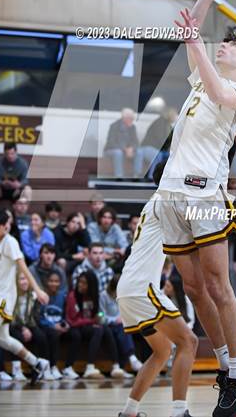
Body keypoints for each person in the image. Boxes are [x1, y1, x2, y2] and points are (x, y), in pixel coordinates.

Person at [158, 0, 236, 416]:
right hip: (170, 191)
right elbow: (194, 32)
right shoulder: (200, 82)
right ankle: (226, 366)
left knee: (219, 286)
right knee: (192, 287)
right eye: (222, 42)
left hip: (205, 194)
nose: (223, 45)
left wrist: (195, 44)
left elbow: (219, 90)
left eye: (233, 45)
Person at [117, 164, 198, 417]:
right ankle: (179, 411)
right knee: (189, 341)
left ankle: (130, 412)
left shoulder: (158, 201)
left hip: (130, 287)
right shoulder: (166, 201)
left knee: (162, 351)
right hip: (142, 288)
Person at [0, 208, 49, 390]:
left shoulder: (10, 242)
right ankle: (38, 363)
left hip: (3, 297)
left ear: (4, 226)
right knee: (2, 338)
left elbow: (23, 268)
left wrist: (38, 290)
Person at [65, 270, 120, 379]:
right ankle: (82, 367)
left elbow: (97, 315)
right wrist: (92, 321)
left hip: (86, 326)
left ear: (91, 285)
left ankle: (116, 366)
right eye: (80, 282)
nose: (80, 285)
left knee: (105, 329)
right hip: (74, 326)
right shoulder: (73, 296)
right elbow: (73, 321)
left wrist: (98, 319)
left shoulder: (94, 297)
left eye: (84, 283)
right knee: (80, 334)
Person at [9, 272, 53, 381]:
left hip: (29, 324)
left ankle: (44, 368)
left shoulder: (33, 295)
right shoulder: (11, 295)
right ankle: (16, 370)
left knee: (41, 336)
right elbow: (11, 317)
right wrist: (23, 328)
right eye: (21, 279)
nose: (24, 282)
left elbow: (35, 316)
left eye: (26, 279)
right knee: (17, 337)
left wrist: (28, 328)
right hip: (13, 325)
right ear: (15, 281)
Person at [100, 275, 143, 375]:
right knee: (123, 330)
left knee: (128, 329)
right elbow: (101, 315)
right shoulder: (103, 296)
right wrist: (114, 320)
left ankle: (124, 366)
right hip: (108, 325)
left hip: (122, 324)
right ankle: (132, 358)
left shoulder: (124, 295)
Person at [38, 271, 68, 380]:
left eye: (56, 281)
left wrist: (65, 324)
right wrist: (52, 326)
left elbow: (65, 314)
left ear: (60, 283)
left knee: (75, 334)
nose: (54, 284)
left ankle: (67, 368)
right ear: (47, 282)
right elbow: (39, 317)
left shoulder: (62, 296)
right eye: (51, 281)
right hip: (45, 326)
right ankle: (50, 366)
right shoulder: (42, 296)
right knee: (51, 335)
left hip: (58, 325)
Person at [134, 107, 178, 180]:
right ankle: (151, 177)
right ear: (170, 115)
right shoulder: (160, 122)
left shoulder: (169, 125)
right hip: (148, 146)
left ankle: (167, 177)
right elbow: (161, 139)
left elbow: (169, 141)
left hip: (159, 149)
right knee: (157, 155)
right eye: (174, 115)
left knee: (171, 156)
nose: (175, 118)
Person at [104, 108, 139, 178]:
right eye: (131, 118)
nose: (132, 120)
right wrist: (125, 149)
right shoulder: (114, 126)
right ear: (124, 118)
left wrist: (131, 148)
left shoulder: (133, 127)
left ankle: (136, 175)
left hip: (127, 151)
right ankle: (119, 176)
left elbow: (136, 142)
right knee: (118, 153)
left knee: (139, 152)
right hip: (111, 150)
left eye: (133, 118)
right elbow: (111, 142)